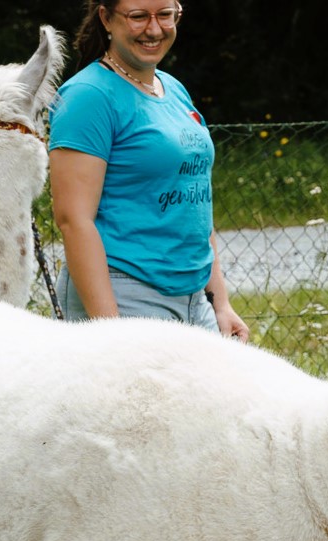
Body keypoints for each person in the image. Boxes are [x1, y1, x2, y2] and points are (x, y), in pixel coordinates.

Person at [48, 0, 249, 339]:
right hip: (125, 296)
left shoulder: (174, 89)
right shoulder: (87, 96)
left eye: (165, 15)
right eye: (139, 16)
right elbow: (74, 220)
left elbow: (194, 202)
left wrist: (220, 304)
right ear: (106, 18)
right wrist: (110, 330)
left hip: (193, 298)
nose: (154, 30)